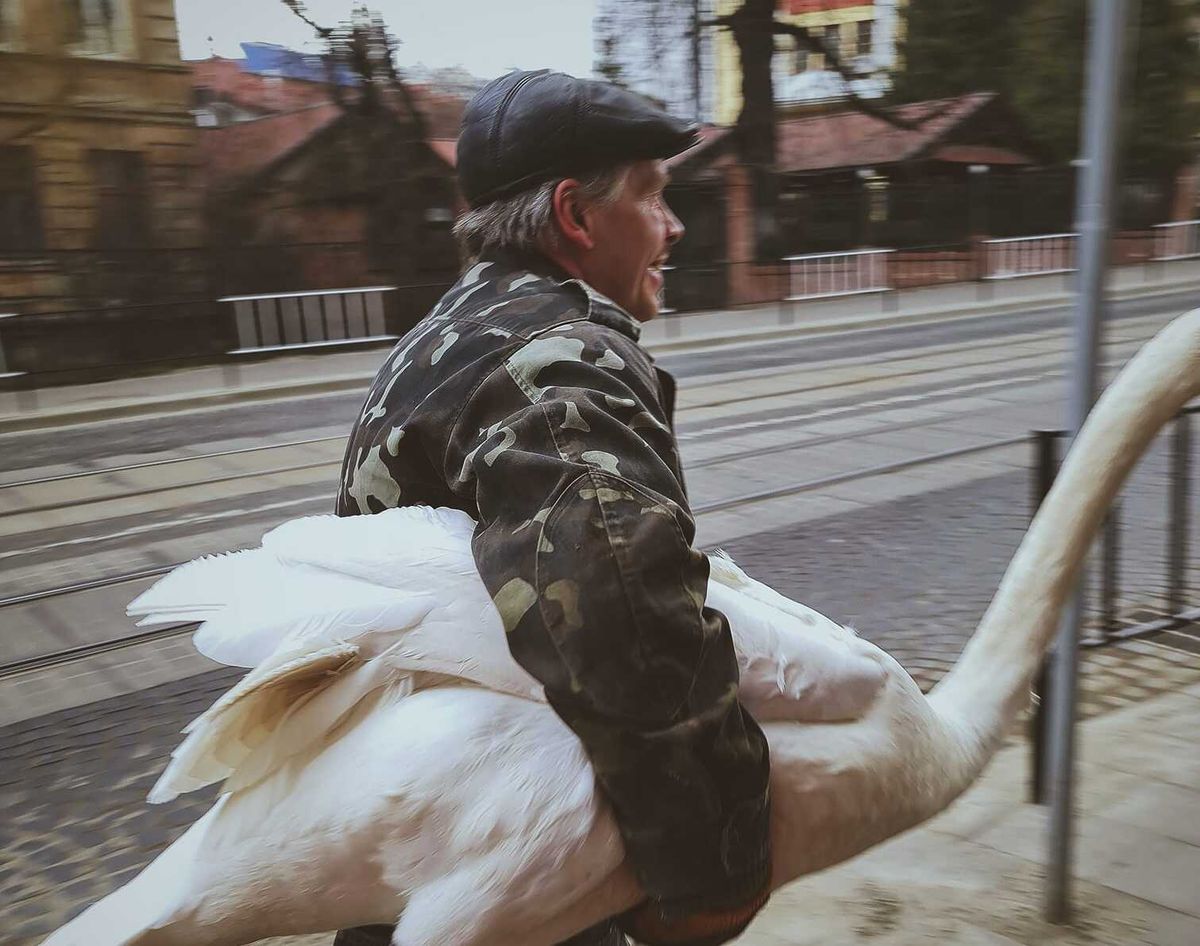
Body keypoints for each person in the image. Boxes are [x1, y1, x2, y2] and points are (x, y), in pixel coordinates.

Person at [333, 70, 771, 946]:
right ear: (575, 216)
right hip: (509, 871)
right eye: (653, 197)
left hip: (412, 843)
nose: (674, 227)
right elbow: (624, 612)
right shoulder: (560, 356)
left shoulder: (444, 334)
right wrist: (716, 866)